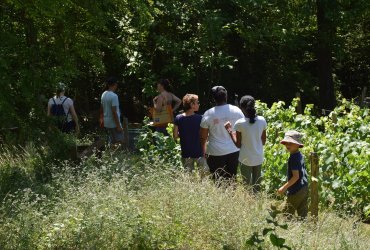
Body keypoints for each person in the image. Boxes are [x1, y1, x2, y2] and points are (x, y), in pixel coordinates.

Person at [200, 86, 244, 181]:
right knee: (232, 179)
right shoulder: (237, 110)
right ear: (226, 97)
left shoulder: (208, 114)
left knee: (218, 181)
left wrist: (203, 154)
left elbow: (203, 137)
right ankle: (232, 196)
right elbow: (243, 130)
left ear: (213, 99)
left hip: (215, 152)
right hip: (234, 151)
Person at [224, 95, 267, 192]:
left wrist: (230, 130)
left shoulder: (240, 123)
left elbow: (238, 145)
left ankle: (248, 203)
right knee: (257, 185)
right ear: (254, 105)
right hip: (258, 157)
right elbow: (263, 141)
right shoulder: (262, 120)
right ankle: (257, 203)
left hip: (245, 158)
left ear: (241, 108)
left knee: (247, 186)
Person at [278, 130, 308, 219]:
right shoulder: (299, 155)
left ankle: (288, 231)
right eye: (287, 143)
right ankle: (304, 230)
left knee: (286, 214)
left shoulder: (293, 158)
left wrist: (284, 187)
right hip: (304, 187)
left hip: (296, 190)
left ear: (298, 144)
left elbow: (296, 177)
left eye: (291, 143)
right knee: (302, 215)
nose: (288, 145)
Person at [173, 94, 207, 173]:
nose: (199, 104)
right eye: (197, 102)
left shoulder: (178, 118)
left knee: (188, 177)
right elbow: (204, 136)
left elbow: (175, 136)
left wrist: (184, 135)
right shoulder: (200, 118)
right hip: (199, 152)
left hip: (186, 153)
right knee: (204, 176)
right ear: (192, 105)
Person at [100, 77, 124, 144]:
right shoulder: (114, 96)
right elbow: (114, 112)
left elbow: (101, 108)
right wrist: (118, 126)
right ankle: (118, 154)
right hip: (114, 123)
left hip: (107, 122)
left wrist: (102, 119)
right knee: (120, 141)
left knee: (112, 141)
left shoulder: (103, 94)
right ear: (115, 84)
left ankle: (111, 154)